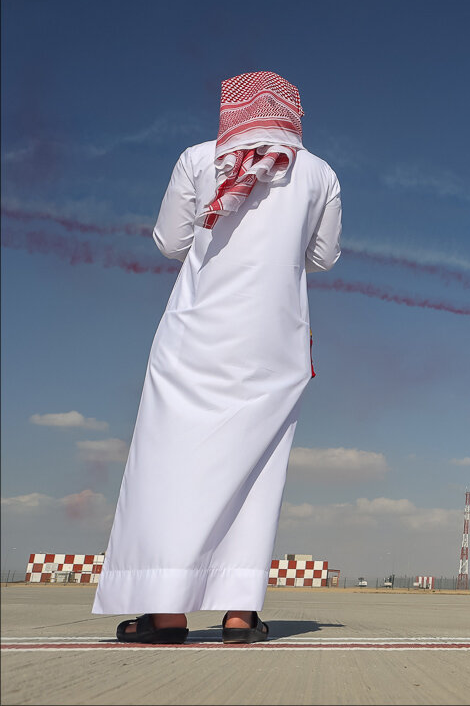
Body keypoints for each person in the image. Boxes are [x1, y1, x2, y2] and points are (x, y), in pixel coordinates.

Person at [92, 72, 342, 644]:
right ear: (292, 112)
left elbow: (169, 242)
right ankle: (237, 613)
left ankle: (165, 614)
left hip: (196, 335)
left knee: (169, 463)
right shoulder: (319, 172)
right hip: (272, 342)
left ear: (231, 110)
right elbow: (324, 258)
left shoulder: (197, 159)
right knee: (256, 471)